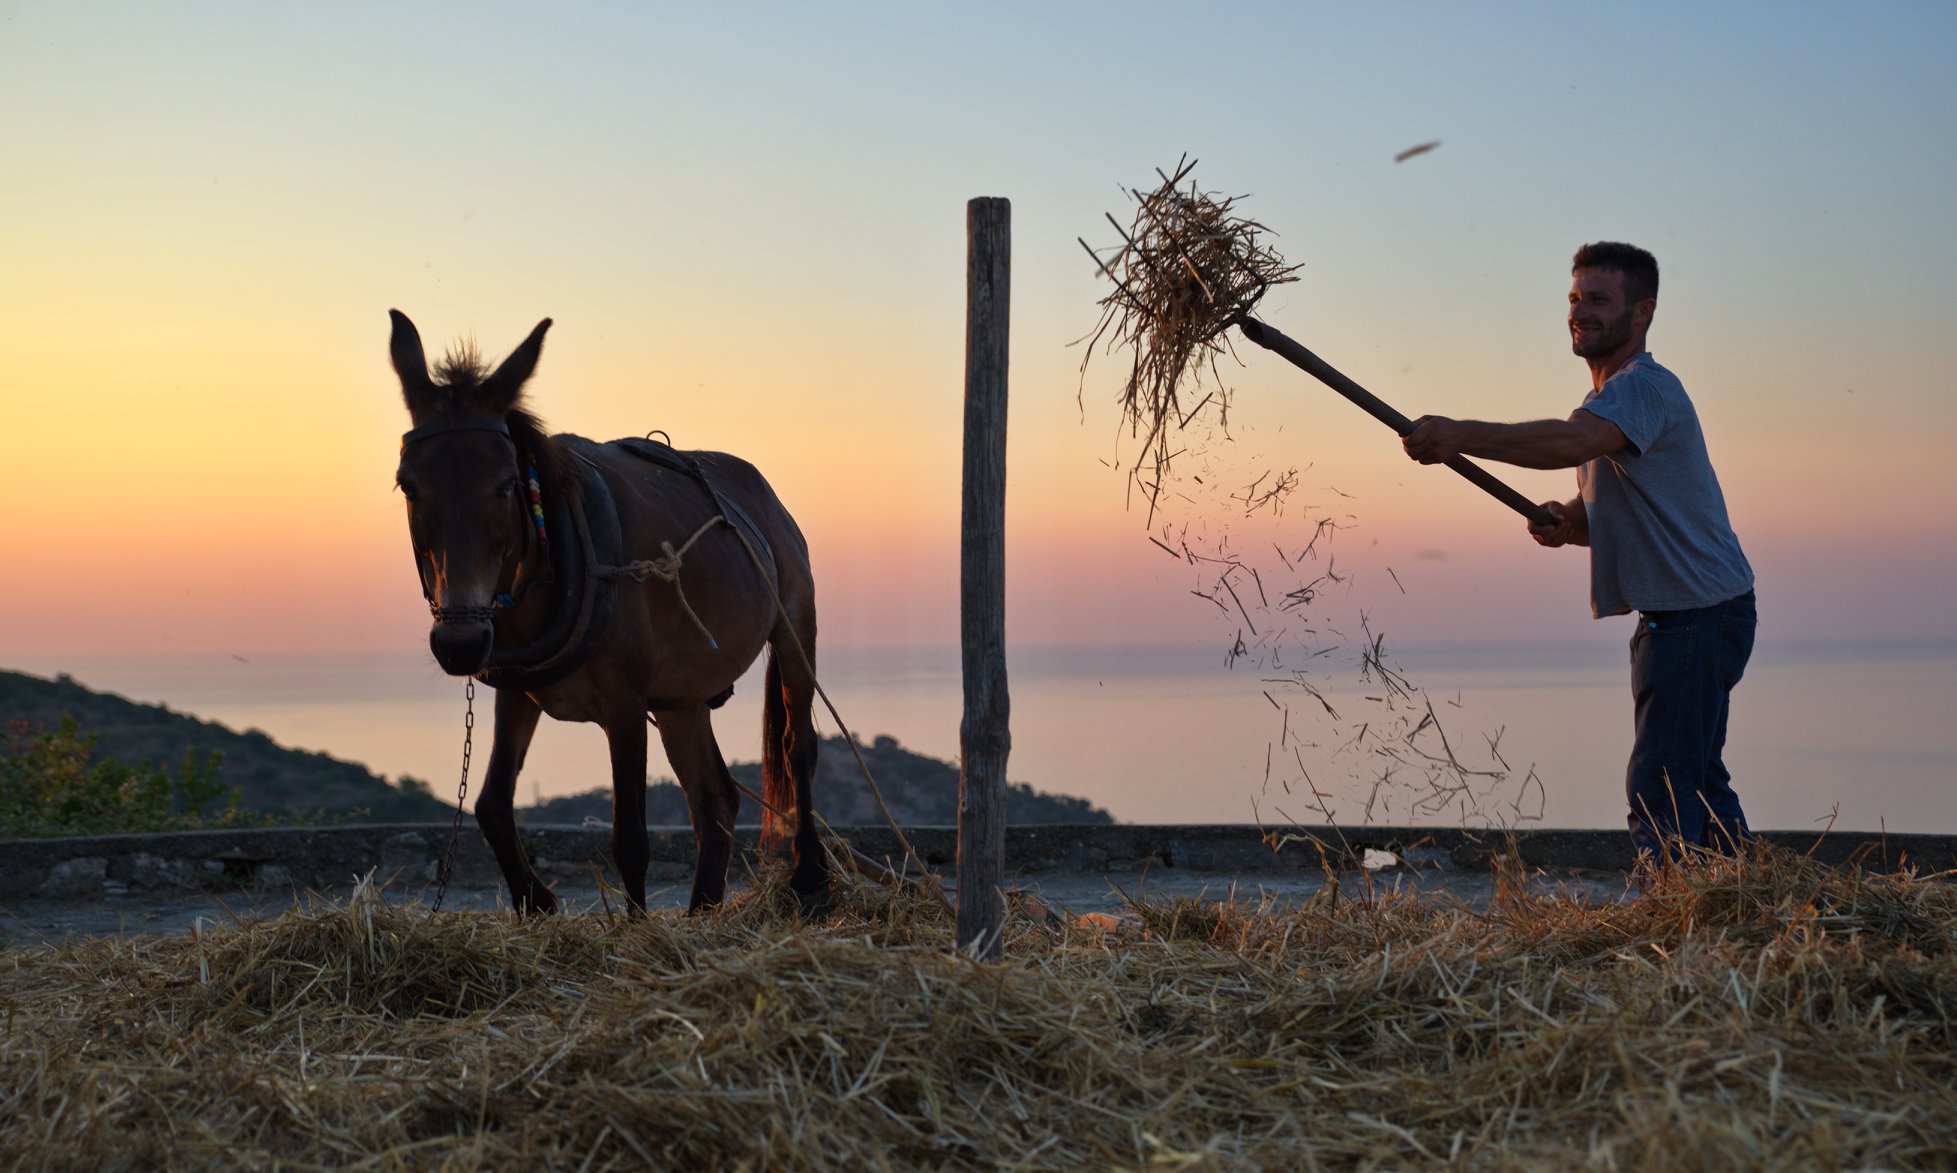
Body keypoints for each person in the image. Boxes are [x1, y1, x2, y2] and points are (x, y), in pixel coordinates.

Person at [1400, 242, 1756, 864]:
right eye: (1574, 299)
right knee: (1693, 775)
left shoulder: (1643, 389)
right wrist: (1572, 521)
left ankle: (1673, 912)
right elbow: (1630, 505)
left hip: (1697, 615)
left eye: (1598, 299)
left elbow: (1572, 441)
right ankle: (1742, 898)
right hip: (1690, 614)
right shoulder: (1612, 401)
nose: (1580, 312)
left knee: (1660, 782)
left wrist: (1461, 434)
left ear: (1641, 314)